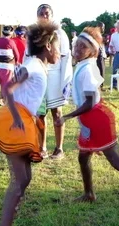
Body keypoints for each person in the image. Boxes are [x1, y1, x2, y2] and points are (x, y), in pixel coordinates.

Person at [55, 26, 119, 215]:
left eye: (83, 47)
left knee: (115, 159)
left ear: (93, 51)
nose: (78, 49)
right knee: (83, 156)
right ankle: (89, 193)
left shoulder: (87, 69)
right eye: (77, 45)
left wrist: (66, 116)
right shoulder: (82, 65)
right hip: (90, 119)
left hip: (96, 118)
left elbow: (88, 103)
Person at [0, 22, 60, 226]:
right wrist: (16, 118)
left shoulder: (38, 66)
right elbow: (8, 90)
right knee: (19, 182)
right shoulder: (33, 66)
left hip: (26, 120)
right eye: (57, 48)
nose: (59, 53)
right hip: (16, 123)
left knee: (24, 179)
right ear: (47, 46)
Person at [35, 4, 73, 160]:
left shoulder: (59, 33)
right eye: (42, 14)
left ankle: (59, 149)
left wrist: (64, 80)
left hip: (55, 76)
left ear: (51, 15)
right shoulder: (34, 33)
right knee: (40, 114)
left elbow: (64, 55)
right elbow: (29, 56)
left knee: (56, 112)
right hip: (39, 76)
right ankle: (41, 147)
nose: (44, 16)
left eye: (47, 13)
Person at [0, 25, 20, 106]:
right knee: (6, 84)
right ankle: (4, 100)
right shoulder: (11, 42)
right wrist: (17, 62)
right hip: (7, 66)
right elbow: (16, 54)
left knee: (2, 84)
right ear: (11, 33)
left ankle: (2, 99)